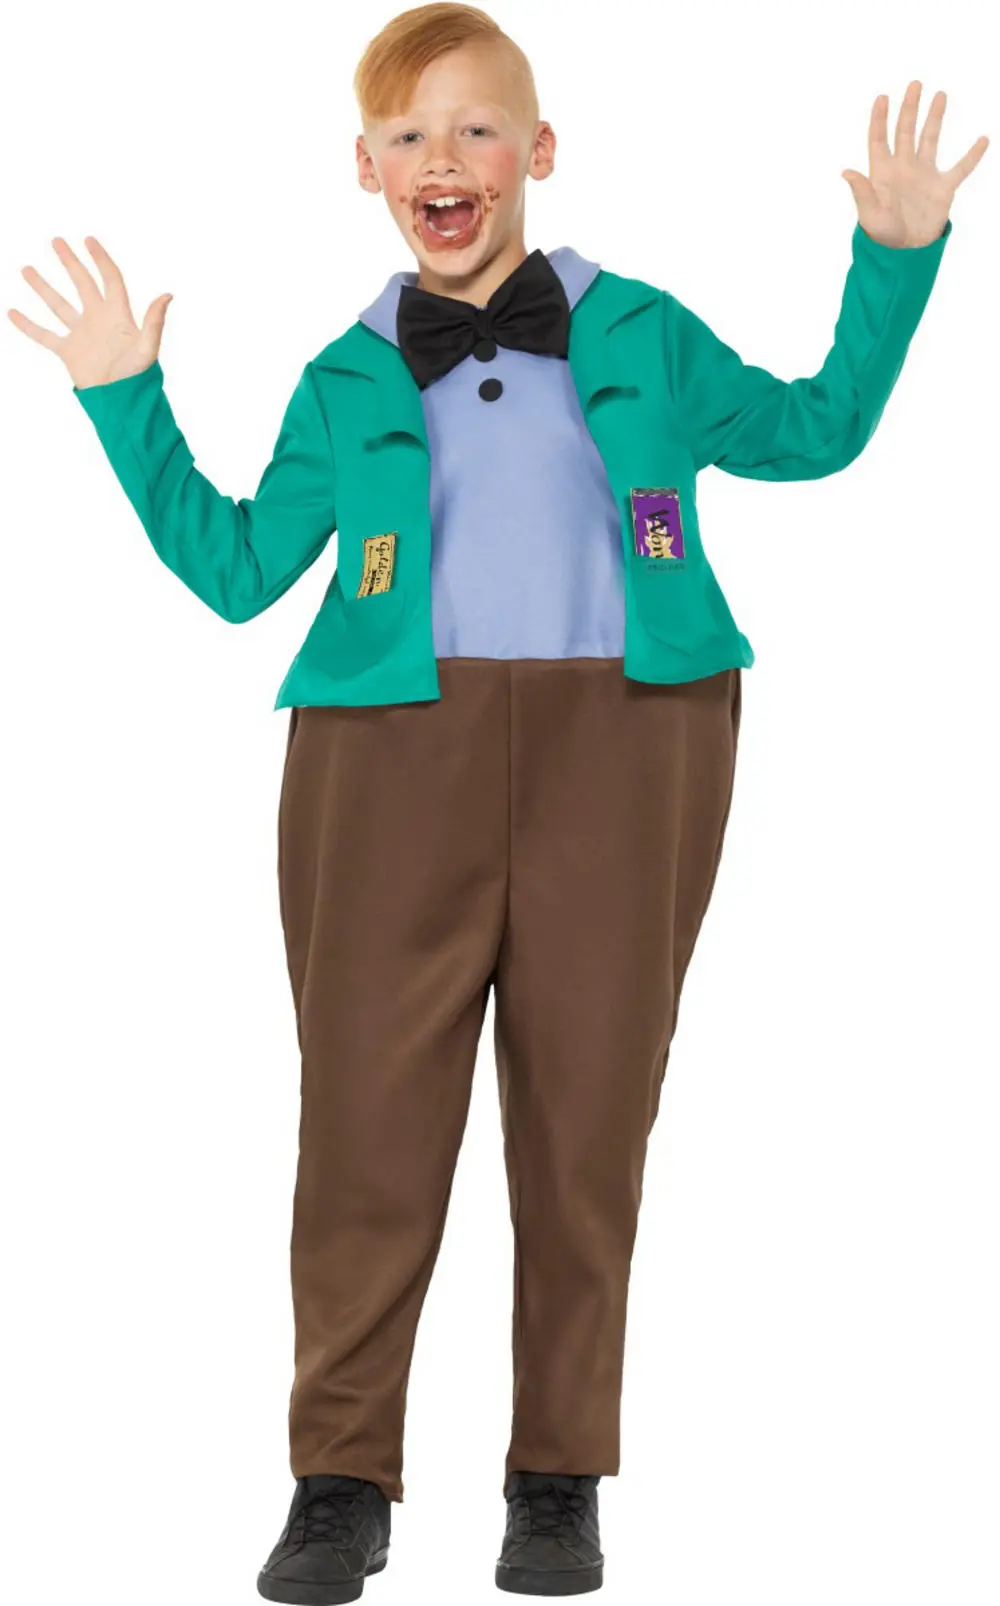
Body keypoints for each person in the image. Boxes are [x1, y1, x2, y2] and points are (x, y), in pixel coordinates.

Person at [7, 4, 988, 1600]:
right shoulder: (345, 373)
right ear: (366, 168)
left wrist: (895, 257)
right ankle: (340, 1478)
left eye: (475, 128)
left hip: (634, 736)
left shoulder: (644, 327)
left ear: (538, 151)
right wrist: (127, 398)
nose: (442, 158)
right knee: (366, 1122)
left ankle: (557, 1474)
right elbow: (238, 567)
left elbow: (818, 430)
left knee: (589, 1117)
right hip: (386, 754)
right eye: (408, 135)